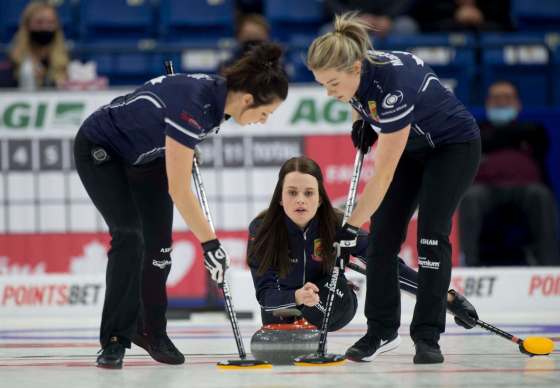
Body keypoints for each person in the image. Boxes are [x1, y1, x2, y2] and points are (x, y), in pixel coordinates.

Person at [73, 43, 288, 369]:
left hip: (147, 157)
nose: (263, 120)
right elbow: (179, 189)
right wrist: (210, 245)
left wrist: (182, 147)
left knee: (159, 249)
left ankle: (150, 331)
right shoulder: (195, 104)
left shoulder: (218, 100)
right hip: (103, 150)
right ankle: (115, 337)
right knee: (130, 236)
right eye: (264, 112)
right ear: (248, 99)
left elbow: (173, 133)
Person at [306, 13, 481, 364]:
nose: (329, 93)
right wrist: (360, 123)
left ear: (355, 68)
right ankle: (381, 330)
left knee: (431, 236)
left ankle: (427, 336)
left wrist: (349, 226)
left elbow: (382, 177)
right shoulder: (357, 76)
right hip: (413, 149)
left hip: (452, 148)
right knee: (383, 238)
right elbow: (358, 99)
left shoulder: (394, 88)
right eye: (322, 84)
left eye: (333, 83)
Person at [248, 156, 479, 336]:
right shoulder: (261, 231)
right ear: (279, 197)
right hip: (283, 310)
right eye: (292, 193)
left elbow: (388, 266)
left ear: (319, 199)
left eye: (309, 193)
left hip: (330, 303)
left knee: (342, 287)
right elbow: (265, 295)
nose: (300, 200)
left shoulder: (339, 226)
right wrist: (298, 296)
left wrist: (443, 297)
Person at [459, 81, 559, 266]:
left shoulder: (534, 130)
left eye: (507, 98)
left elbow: (535, 136)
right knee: (469, 197)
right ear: (488, 103)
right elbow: (482, 141)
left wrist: (495, 139)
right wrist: (514, 139)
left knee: (542, 195)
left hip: (526, 189)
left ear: (518, 104)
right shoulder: (475, 130)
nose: (501, 102)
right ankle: (468, 265)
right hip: (485, 188)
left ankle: (549, 267)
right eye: (496, 98)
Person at [8, 0, 69, 90]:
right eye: (39, 22)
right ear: (27, 25)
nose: (45, 27)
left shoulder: (66, 60)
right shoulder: (13, 61)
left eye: (50, 23)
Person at [324, 0, 418, 37]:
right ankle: (341, 74)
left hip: (388, 21)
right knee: (328, 31)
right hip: (351, 21)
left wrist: (389, 17)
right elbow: (330, 3)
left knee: (406, 26)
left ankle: (399, 71)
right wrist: (353, 19)